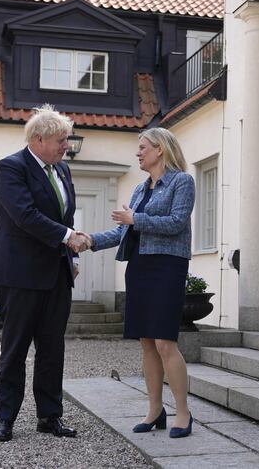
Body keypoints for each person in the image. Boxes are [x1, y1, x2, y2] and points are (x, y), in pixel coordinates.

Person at [86, 127, 196, 439]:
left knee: (164, 341)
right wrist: (89, 240)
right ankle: (154, 410)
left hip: (168, 266)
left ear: (160, 149)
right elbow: (124, 232)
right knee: (146, 342)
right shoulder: (138, 190)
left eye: (143, 147)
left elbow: (176, 223)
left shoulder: (181, 181)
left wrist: (137, 220)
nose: (138, 152)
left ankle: (183, 412)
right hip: (140, 266)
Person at [0, 104, 90, 442]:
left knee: (52, 350)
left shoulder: (62, 172)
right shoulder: (10, 168)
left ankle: (50, 416)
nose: (66, 145)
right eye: (61, 140)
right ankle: (5, 418)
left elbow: (63, 218)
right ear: (38, 139)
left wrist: (71, 258)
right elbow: (25, 215)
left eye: (67, 139)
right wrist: (67, 238)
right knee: (14, 350)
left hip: (57, 275)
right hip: (19, 276)